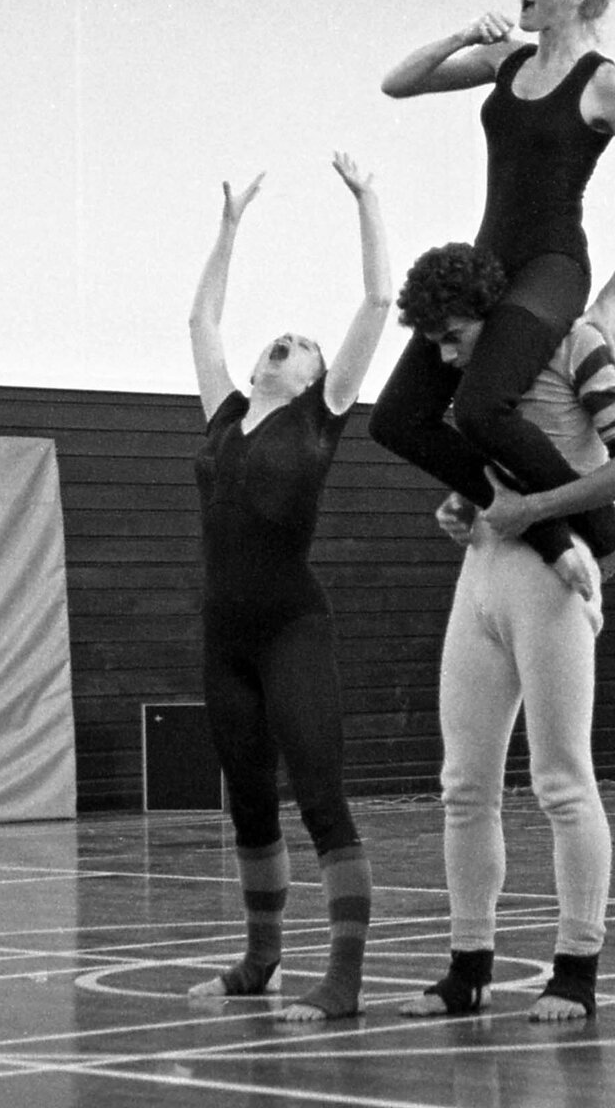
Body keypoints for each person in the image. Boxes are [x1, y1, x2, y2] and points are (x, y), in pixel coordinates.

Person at [370, 0, 615, 588]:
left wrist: (613, 296)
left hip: (552, 267)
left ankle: (602, 532)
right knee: (396, 420)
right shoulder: (505, 59)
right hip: (490, 262)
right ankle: (537, 524)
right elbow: (397, 83)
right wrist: (462, 36)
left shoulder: (607, 85)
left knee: (481, 409)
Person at [389, 242, 615, 1022]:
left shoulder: (575, 343)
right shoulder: (472, 376)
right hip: (484, 570)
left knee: (562, 779)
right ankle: (468, 968)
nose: (445, 355)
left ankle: (577, 969)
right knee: (463, 785)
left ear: (492, 312)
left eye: (454, 336)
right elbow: (490, 474)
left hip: (553, 579)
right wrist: (466, 502)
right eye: (433, 342)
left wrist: (538, 511)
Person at [186, 154, 391, 1021]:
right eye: (286, 337)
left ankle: (342, 978)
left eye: (305, 344)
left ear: (315, 376)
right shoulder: (226, 415)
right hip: (224, 634)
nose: (291, 340)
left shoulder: (322, 415)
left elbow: (377, 302)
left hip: (292, 628)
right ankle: (261, 959)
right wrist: (229, 227)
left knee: (319, 795)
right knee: (248, 800)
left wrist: (367, 200)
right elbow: (201, 318)